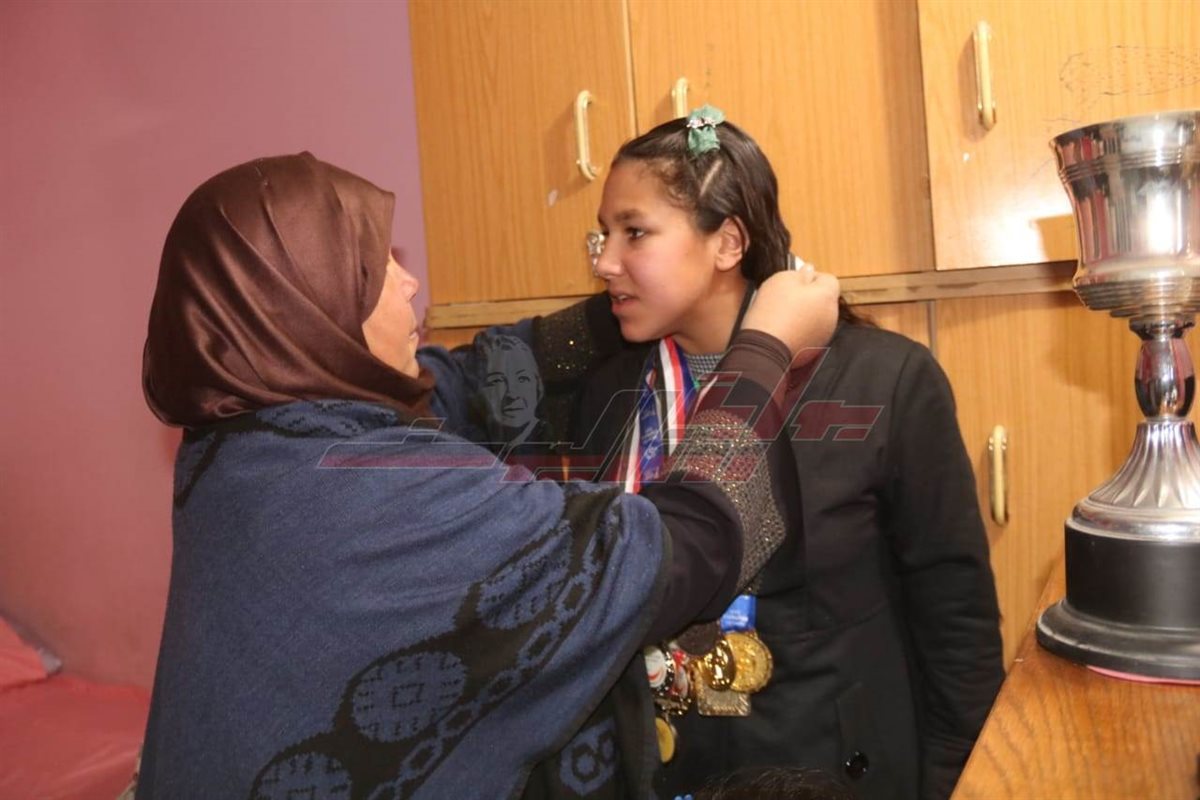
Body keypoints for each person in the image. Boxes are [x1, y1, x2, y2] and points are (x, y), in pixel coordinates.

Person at [135, 151, 839, 799]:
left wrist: (634, 295)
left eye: (635, 233)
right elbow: (690, 543)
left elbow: (470, 378)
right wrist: (765, 348)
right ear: (306, 309)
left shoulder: (242, 445)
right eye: (375, 268)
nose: (410, 282)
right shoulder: (391, 501)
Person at [530, 108, 1005, 799]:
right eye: (604, 234)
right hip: (657, 766)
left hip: (825, 769)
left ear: (727, 243)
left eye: (634, 232)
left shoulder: (885, 380)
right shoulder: (607, 387)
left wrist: (959, 784)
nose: (604, 261)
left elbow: (955, 617)